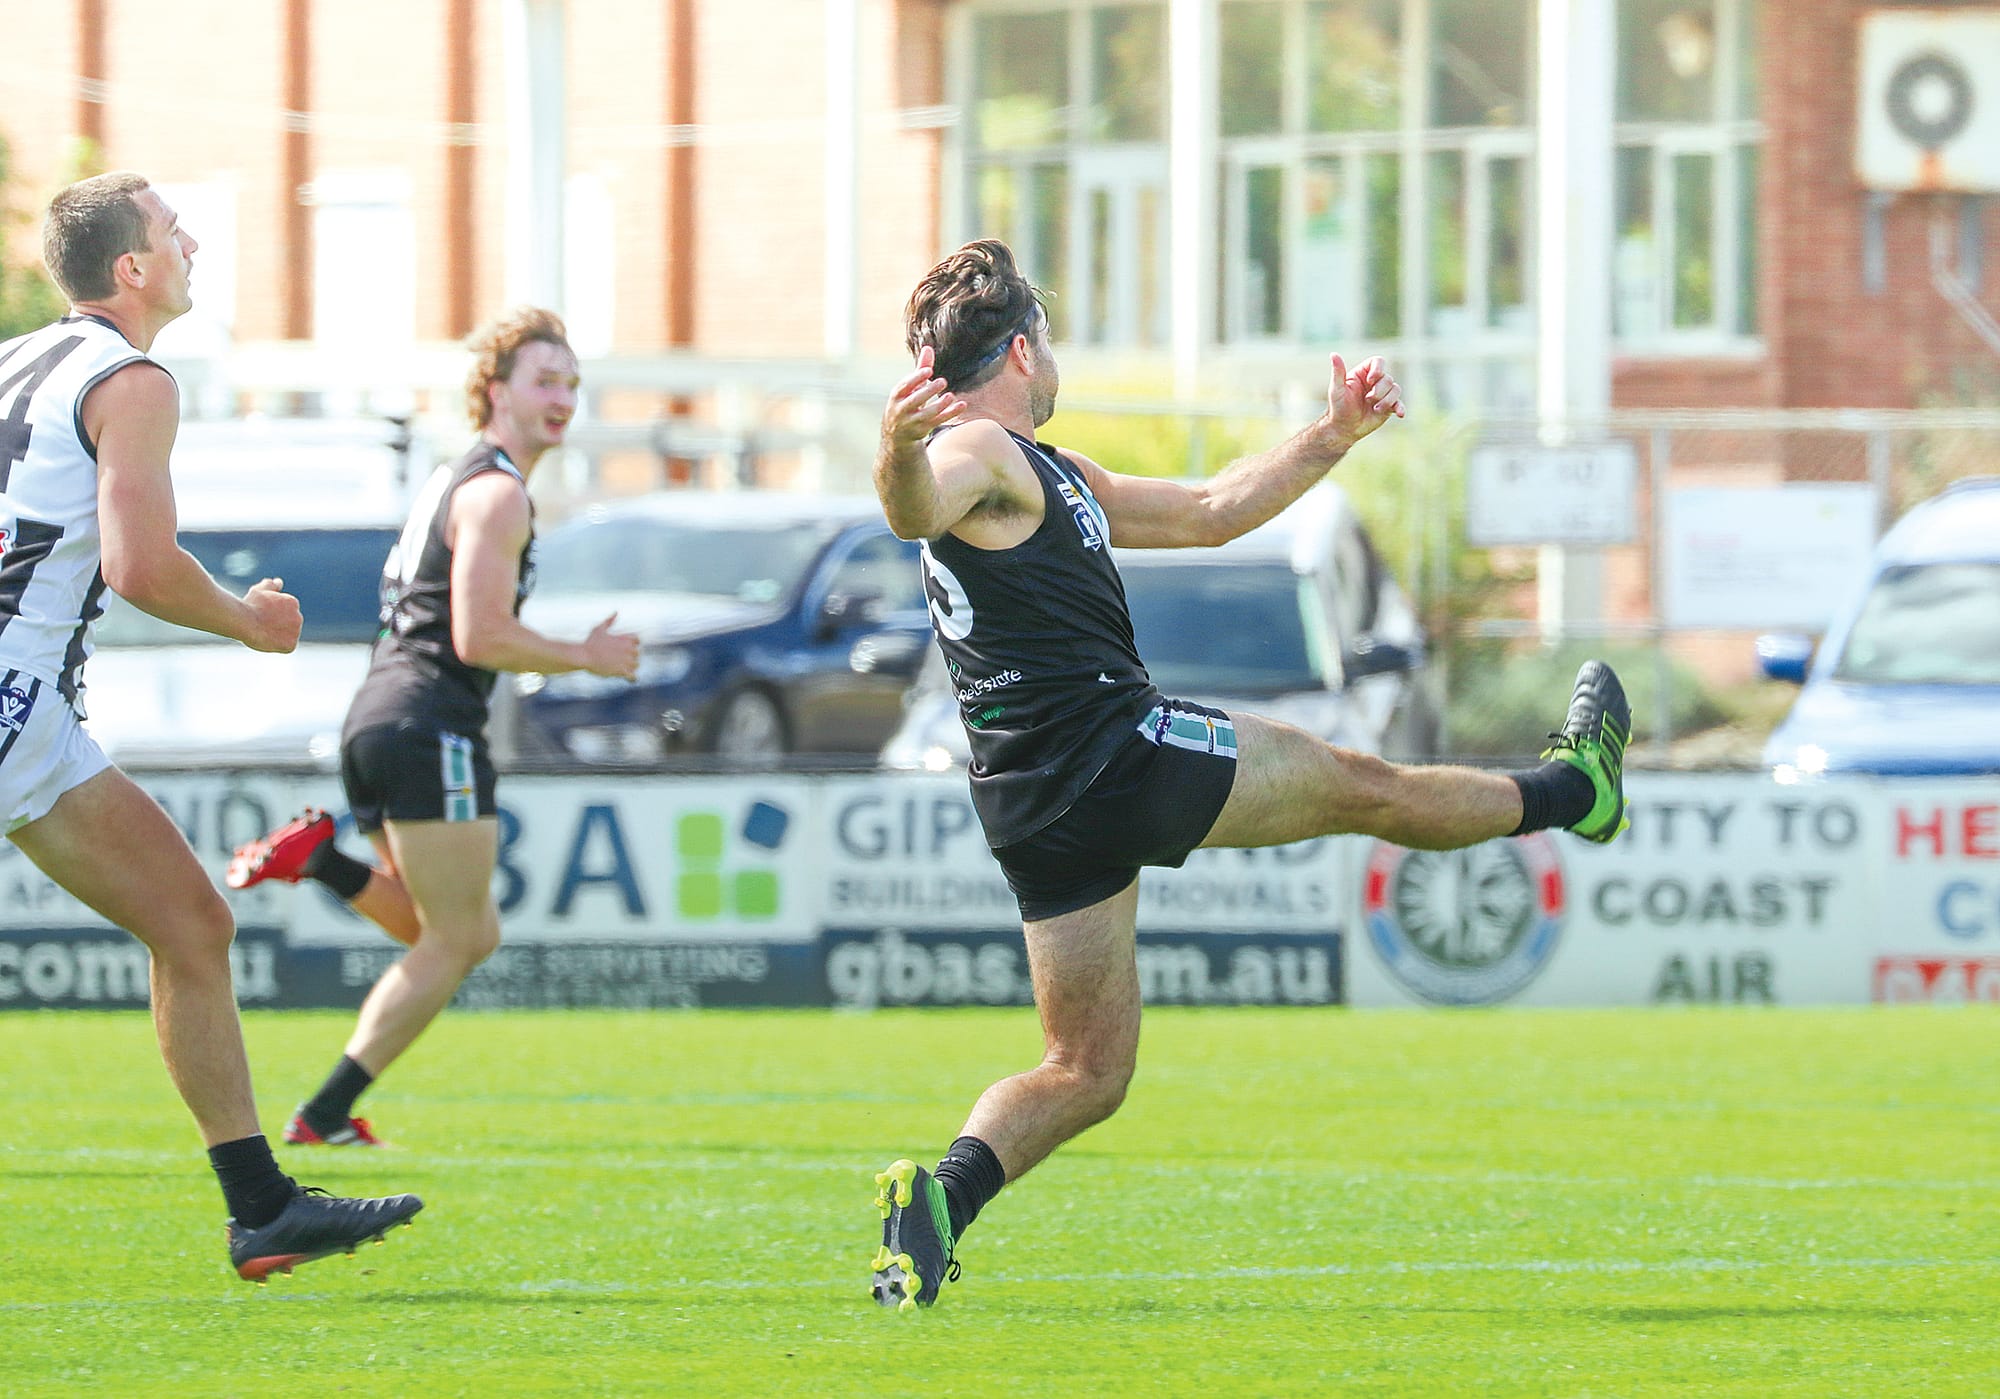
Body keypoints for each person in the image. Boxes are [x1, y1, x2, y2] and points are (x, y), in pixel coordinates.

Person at [865, 239, 1631, 1311]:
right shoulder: (978, 450)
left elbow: (1213, 507)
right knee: (1364, 784)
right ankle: (1573, 793)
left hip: (1034, 805)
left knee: (1087, 1069)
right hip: (1112, 753)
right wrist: (897, 454)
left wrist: (1329, 435)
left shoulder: (1054, 474)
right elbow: (912, 505)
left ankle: (935, 1204)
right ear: (1023, 347)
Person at [0, 171, 422, 1281]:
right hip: (13, 700)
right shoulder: (130, 376)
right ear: (130, 270)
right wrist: (250, 620)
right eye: (169, 230)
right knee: (191, 928)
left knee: (192, 925)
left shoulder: (16, 362)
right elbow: (140, 566)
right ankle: (262, 1205)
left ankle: (262, 1207)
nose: (190, 241)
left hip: (27, 712)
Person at [225, 307, 637, 1148]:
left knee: (446, 929)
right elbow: (477, 635)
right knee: (457, 935)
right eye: (544, 381)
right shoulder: (496, 492)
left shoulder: (459, 477)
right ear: (495, 390)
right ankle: (321, 1114)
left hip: (380, 716)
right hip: (428, 722)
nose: (562, 399)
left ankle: (320, 863)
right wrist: (587, 655)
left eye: (571, 384)